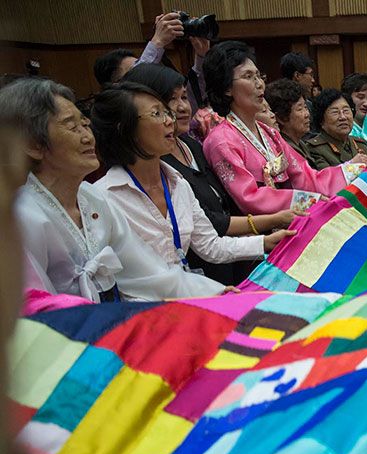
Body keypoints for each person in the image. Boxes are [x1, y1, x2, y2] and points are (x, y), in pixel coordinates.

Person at [0, 127, 367, 454]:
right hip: (131, 336)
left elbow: (198, 249)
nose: (86, 132)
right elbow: (154, 281)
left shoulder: (126, 191)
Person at [0, 78, 225, 301]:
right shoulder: (18, 217)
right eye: (72, 127)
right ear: (33, 145)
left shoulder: (93, 199)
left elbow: (150, 274)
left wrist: (215, 292)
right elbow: (32, 307)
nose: (88, 137)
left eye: (85, 125)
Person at [91, 83, 287, 278]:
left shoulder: (178, 184)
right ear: (124, 128)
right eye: (156, 114)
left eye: (167, 113)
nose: (169, 121)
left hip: (188, 292)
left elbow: (210, 246)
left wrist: (266, 242)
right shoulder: (103, 197)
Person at [201, 41, 356, 215]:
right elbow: (249, 199)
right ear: (227, 88)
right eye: (248, 76)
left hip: (292, 219)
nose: (259, 83)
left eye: (258, 76)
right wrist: (307, 202)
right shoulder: (221, 141)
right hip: (261, 234)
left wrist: (354, 168)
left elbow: (305, 178)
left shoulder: (269, 133)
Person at [93, 13, 209, 114]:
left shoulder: (171, 111)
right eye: (135, 70)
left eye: (140, 65)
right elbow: (135, 89)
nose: (146, 74)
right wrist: (157, 42)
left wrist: (201, 56)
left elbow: (194, 97)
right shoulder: (123, 120)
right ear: (114, 87)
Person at [304, 88, 367, 168]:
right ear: (321, 120)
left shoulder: (361, 145)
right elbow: (326, 178)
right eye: (335, 112)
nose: (343, 117)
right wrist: (354, 166)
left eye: (346, 111)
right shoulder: (314, 149)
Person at [264, 78, 313, 164]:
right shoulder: (283, 150)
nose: (307, 114)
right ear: (281, 118)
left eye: (305, 107)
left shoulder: (301, 143)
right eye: (300, 109)